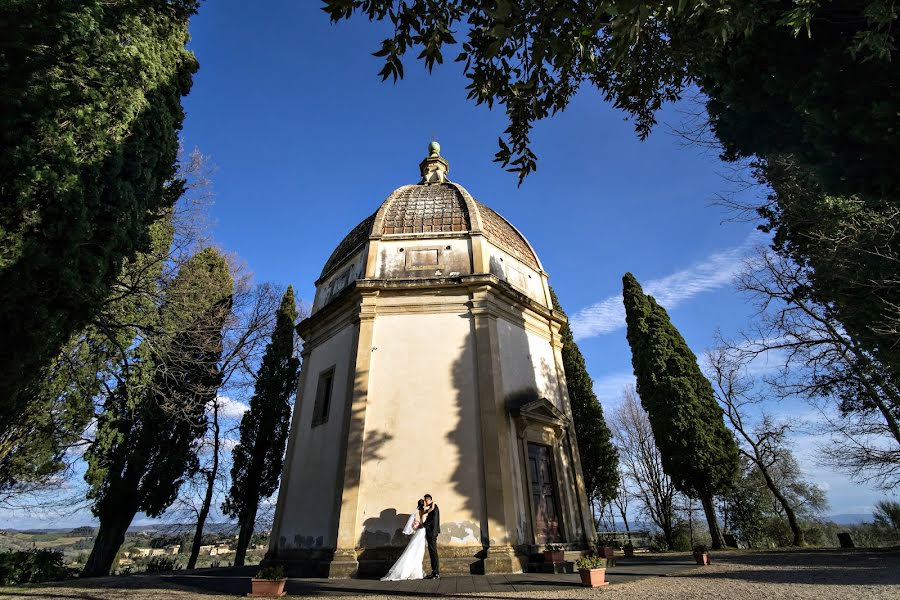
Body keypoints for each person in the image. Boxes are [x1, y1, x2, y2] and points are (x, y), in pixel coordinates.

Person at [380, 499, 427, 581]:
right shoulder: (423, 512)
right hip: (421, 533)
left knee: (415, 552)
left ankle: (415, 572)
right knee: (417, 553)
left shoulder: (420, 511)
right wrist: (418, 524)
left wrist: (417, 524)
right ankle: (413, 572)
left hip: (420, 533)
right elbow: (423, 524)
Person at [421, 493, 440, 579]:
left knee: (433, 553)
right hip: (431, 533)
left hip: (432, 533)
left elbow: (433, 521)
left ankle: (436, 573)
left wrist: (424, 524)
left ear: (429, 500)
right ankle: (434, 572)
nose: (425, 502)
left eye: (426, 500)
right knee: (432, 553)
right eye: (424, 501)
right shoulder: (431, 507)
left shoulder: (434, 507)